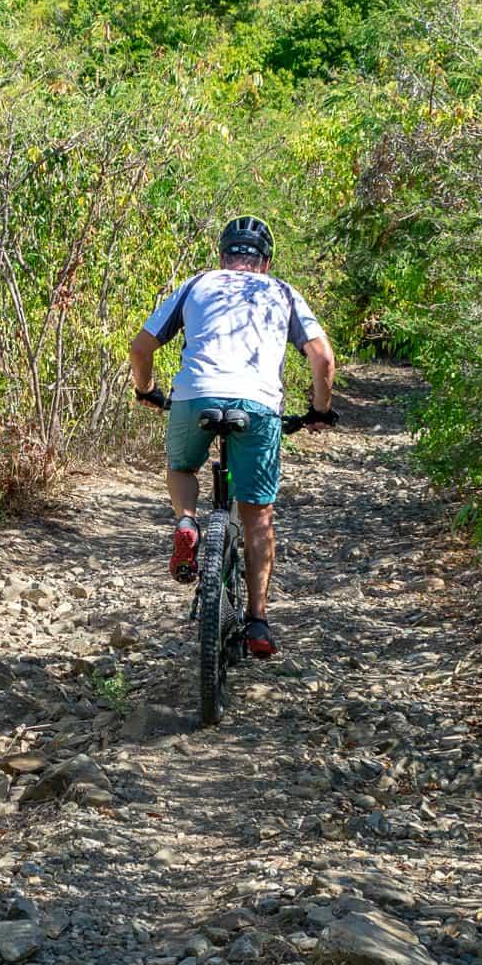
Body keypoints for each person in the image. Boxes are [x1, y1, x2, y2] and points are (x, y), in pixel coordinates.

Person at [127, 215, 337, 658]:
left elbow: (140, 348)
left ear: (223, 256)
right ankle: (258, 622)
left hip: (194, 396)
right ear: (266, 262)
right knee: (257, 516)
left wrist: (146, 391)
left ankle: (187, 522)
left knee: (183, 467)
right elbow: (322, 358)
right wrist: (319, 410)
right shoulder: (282, 291)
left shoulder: (198, 284)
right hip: (257, 404)